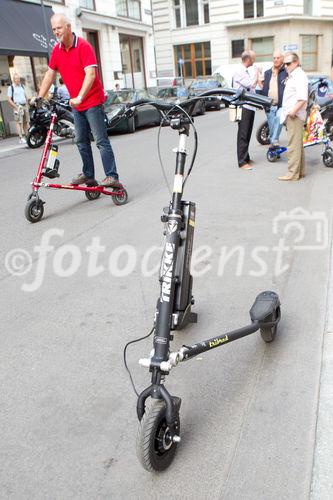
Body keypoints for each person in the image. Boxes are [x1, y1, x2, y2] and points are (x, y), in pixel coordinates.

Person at [37, 14, 121, 188]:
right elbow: (50, 73)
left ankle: (112, 176)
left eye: (59, 28)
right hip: (77, 103)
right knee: (80, 140)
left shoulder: (83, 46)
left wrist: (80, 96)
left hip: (92, 101)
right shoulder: (57, 50)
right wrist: (40, 96)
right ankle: (89, 176)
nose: (56, 32)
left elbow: (91, 74)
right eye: (53, 29)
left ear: (68, 27)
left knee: (100, 140)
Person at [279, 52, 308, 181]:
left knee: (293, 145)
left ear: (296, 62)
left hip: (295, 116)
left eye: (288, 63)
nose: (285, 66)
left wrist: (292, 112)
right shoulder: (295, 75)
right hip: (294, 115)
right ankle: (299, 171)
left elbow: (302, 98)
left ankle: (292, 173)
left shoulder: (299, 76)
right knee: (297, 145)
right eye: (285, 63)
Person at [232, 50, 260, 170]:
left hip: (249, 106)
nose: (254, 61)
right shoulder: (239, 71)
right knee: (243, 134)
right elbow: (250, 84)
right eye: (253, 58)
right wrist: (257, 73)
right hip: (243, 106)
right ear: (248, 59)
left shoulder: (245, 71)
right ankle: (242, 161)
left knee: (248, 132)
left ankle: (246, 157)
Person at [261, 51, 287, 148]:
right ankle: (275, 152)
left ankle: (274, 141)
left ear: (282, 59)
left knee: (279, 119)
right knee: (272, 130)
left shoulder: (286, 72)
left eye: (278, 58)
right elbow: (264, 88)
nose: (276, 60)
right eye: (274, 58)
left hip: (281, 105)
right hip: (269, 105)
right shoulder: (267, 73)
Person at [7, 74, 30, 144]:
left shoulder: (22, 86)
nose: (18, 80)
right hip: (17, 106)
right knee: (19, 123)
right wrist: (15, 107)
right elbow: (9, 99)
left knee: (26, 122)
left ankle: (27, 136)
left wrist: (27, 104)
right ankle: (21, 138)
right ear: (14, 80)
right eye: (17, 79)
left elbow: (25, 96)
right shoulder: (11, 88)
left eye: (19, 79)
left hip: (24, 106)